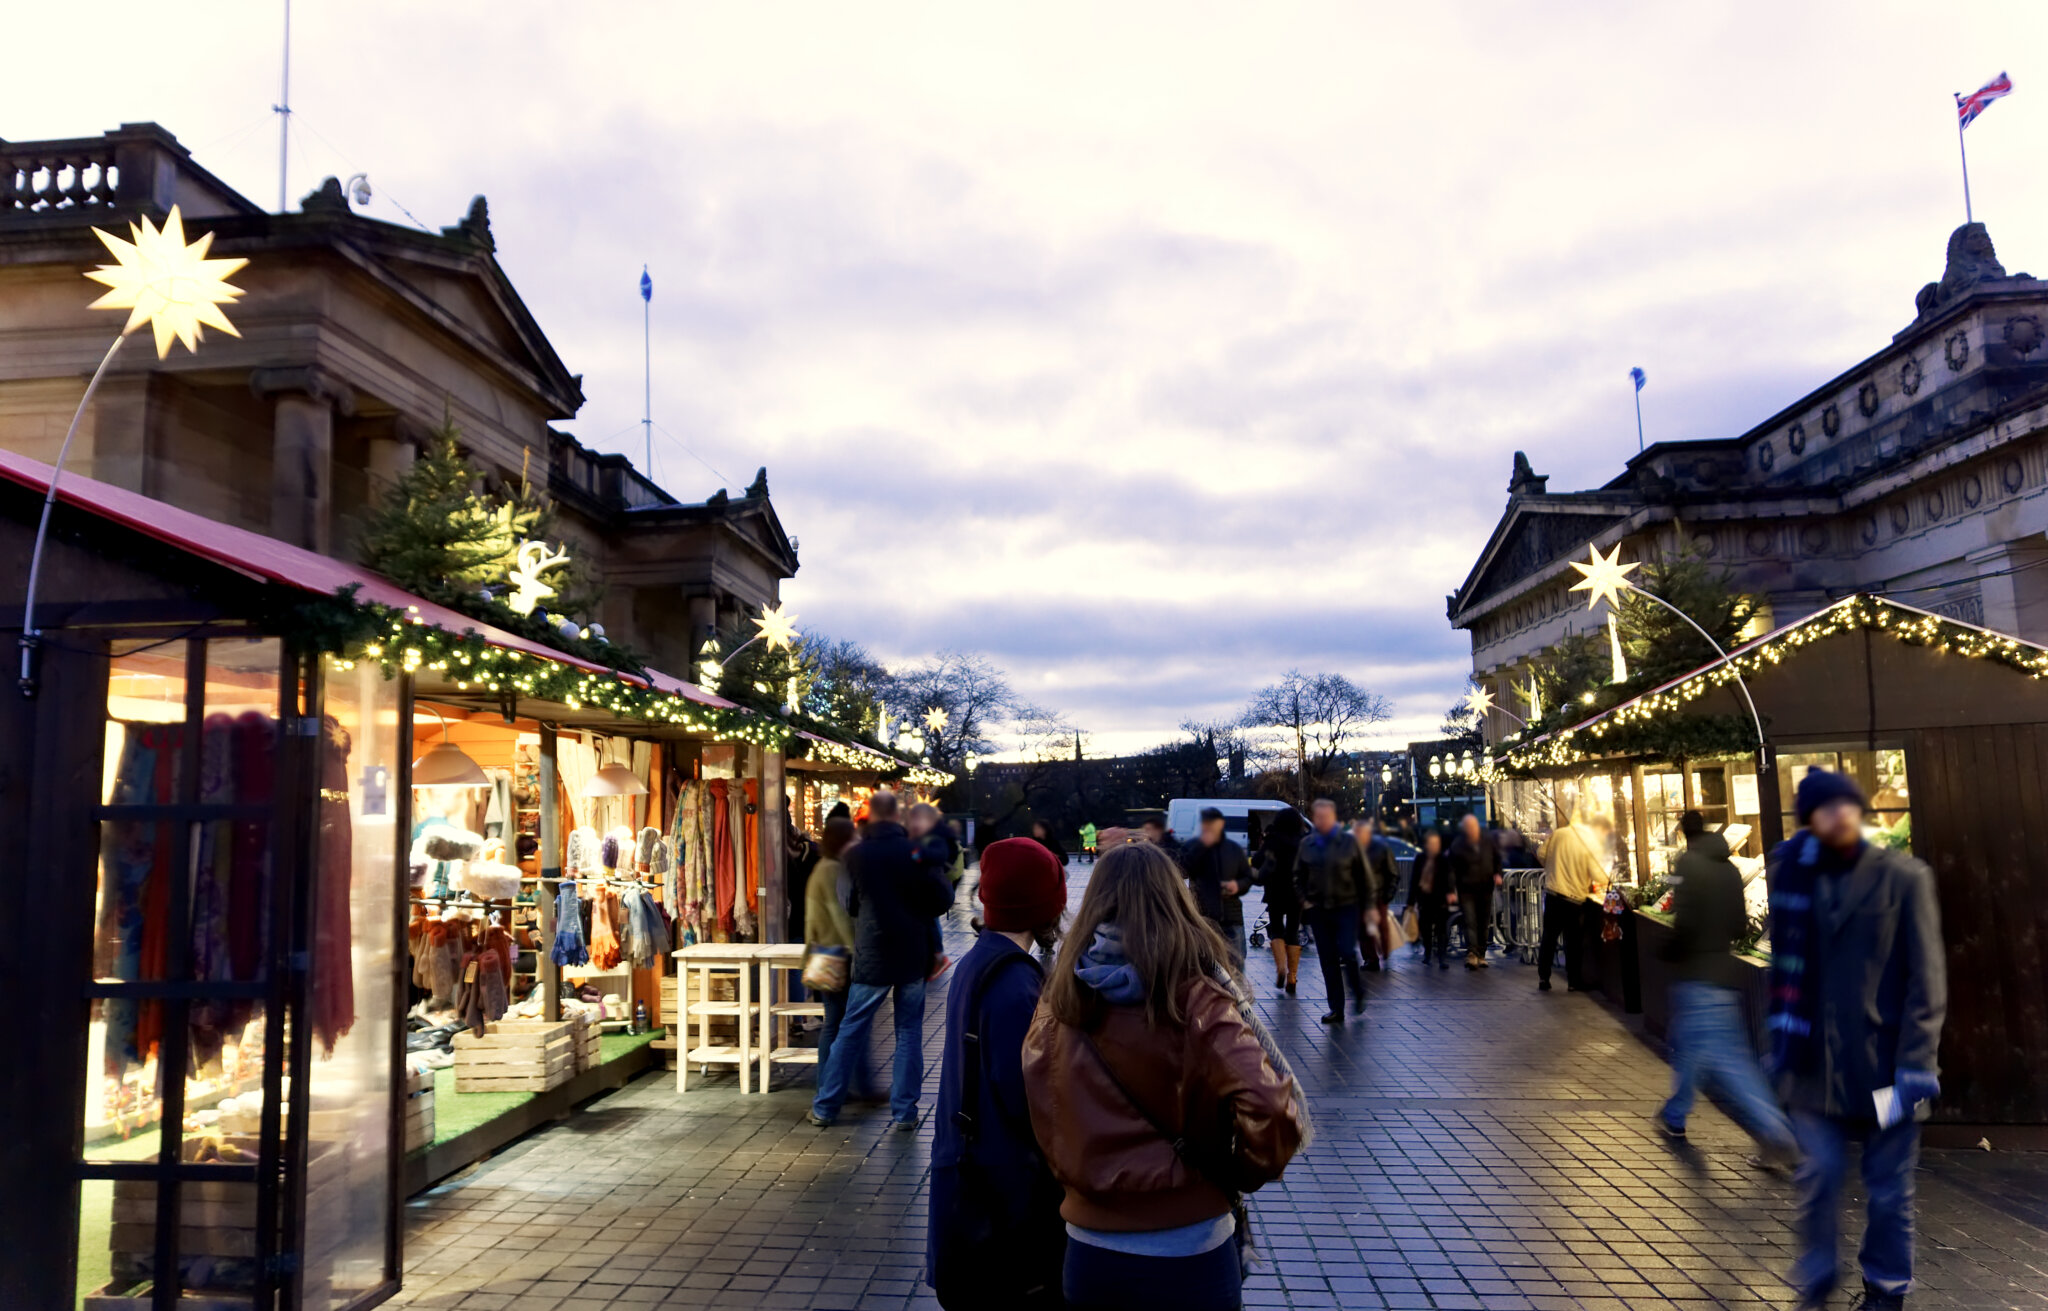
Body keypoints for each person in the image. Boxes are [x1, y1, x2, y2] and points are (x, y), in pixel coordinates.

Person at [1023, 840, 1306, 1311]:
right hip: (1188, 1246)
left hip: (1089, 1248)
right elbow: (1272, 1106)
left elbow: (1041, 1104)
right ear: (1175, 901)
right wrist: (1240, 1172)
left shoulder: (1058, 1002)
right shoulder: (1196, 998)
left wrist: (1076, 1176)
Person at [1770, 770, 1946, 1311]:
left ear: (1861, 811)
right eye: (1826, 810)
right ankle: (1818, 1277)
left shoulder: (1904, 876)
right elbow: (1785, 970)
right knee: (1819, 1176)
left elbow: (1927, 978)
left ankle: (1886, 1290)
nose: (1840, 815)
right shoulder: (1794, 879)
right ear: (1811, 822)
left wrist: (1916, 1064)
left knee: (1890, 1192)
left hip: (1887, 1068)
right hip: (1814, 1068)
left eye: (1848, 806)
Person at [928, 838, 1069, 1309]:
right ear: (1043, 907)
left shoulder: (980, 962)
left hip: (971, 1184)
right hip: (1002, 1198)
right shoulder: (1014, 984)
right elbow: (1029, 1101)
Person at [811, 792, 957, 1129]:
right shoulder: (915, 852)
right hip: (912, 955)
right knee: (908, 1033)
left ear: (871, 816)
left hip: (872, 954)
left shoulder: (855, 856)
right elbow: (943, 897)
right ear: (898, 817)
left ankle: (825, 1106)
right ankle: (905, 1112)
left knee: (850, 1030)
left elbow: (847, 902)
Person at [1656, 811, 1797, 1160]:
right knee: (1693, 1047)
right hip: (1722, 973)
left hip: (1696, 975)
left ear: (1684, 835)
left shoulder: (1690, 863)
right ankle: (1675, 1113)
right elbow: (1738, 925)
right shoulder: (1730, 868)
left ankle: (1775, 1129)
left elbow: (1685, 922)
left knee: (1728, 1060)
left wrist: (1670, 949)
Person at [804, 817, 874, 1101]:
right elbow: (841, 915)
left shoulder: (822, 867)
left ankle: (835, 1085)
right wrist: (858, 949)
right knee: (846, 1024)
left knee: (835, 1023)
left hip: (823, 954)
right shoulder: (833, 870)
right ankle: (839, 1087)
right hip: (838, 957)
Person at [1294, 799, 1369, 1024]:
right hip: (1319, 909)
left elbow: (1362, 876)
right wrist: (1305, 900)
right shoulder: (1307, 845)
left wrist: (1366, 907)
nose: (1322, 821)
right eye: (1319, 817)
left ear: (1334, 818)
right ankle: (1336, 1007)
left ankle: (1358, 992)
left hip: (1346, 906)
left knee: (1346, 952)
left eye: (1326, 817)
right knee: (1328, 960)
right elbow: (1297, 876)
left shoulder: (1349, 843)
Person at [1537, 801, 1608, 992]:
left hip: (1553, 893)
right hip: (1574, 899)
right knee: (1573, 941)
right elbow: (1598, 874)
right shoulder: (1590, 841)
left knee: (1549, 937)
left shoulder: (1558, 834)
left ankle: (1544, 977)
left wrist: (1552, 868)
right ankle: (1573, 981)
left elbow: (1540, 853)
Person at [1179, 807, 1251, 966]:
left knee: (1236, 962)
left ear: (1221, 824)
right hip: (1203, 917)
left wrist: (1237, 885)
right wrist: (1200, 847)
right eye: (1206, 823)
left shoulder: (1233, 848)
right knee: (1207, 964)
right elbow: (1182, 871)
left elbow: (1247, 876)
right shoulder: (1192, 847)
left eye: (1213, 823)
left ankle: (1236, 991)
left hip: (1231, 916)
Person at [1255, 809, 1304, 994]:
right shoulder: (1302, 842)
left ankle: (1280, 967)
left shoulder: (1272, 841)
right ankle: (1292, 976)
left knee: (1276, 929)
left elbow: (1257, 861)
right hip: (1296, 893)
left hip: (1275, 892)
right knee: (1293, 930)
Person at [1448, 813, 1502, 969]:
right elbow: (1451, 868)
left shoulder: (1488, 842)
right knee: (1470, 921)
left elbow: (1497, 859)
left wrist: (1498, 874)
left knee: (1483, 922)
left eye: (1474, 827)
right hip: (1466, 888)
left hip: (1485, 888)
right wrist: (1451, 889)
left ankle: (1481, 954)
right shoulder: (1458, 845)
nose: (1472, 830)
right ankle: (1472, 953)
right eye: (1469, 828)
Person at [1353, 817, 1400, 972]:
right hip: (1360, 895)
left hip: (1378, 894)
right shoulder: (1354, 849)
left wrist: (1388, 894)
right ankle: (1371, 958)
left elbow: (1393, 872)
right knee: (1362, 927)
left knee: (1379, 926)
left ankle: (1383, 951)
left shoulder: (1381, 848)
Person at [1407, 829, 1453, 969]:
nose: (1435, 846)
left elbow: (1449, 877)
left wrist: (1450, 892)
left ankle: (1441, 957)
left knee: (1441, 930)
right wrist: (1411, 901)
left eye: (1436, 843)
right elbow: (1414, 880)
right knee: (1426, 929)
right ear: (1426, 844)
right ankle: (1427, 953)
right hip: (1425, 898)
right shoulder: (1420, 859)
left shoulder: (1443, 860)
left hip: (1439, 899)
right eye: (1432, 843)